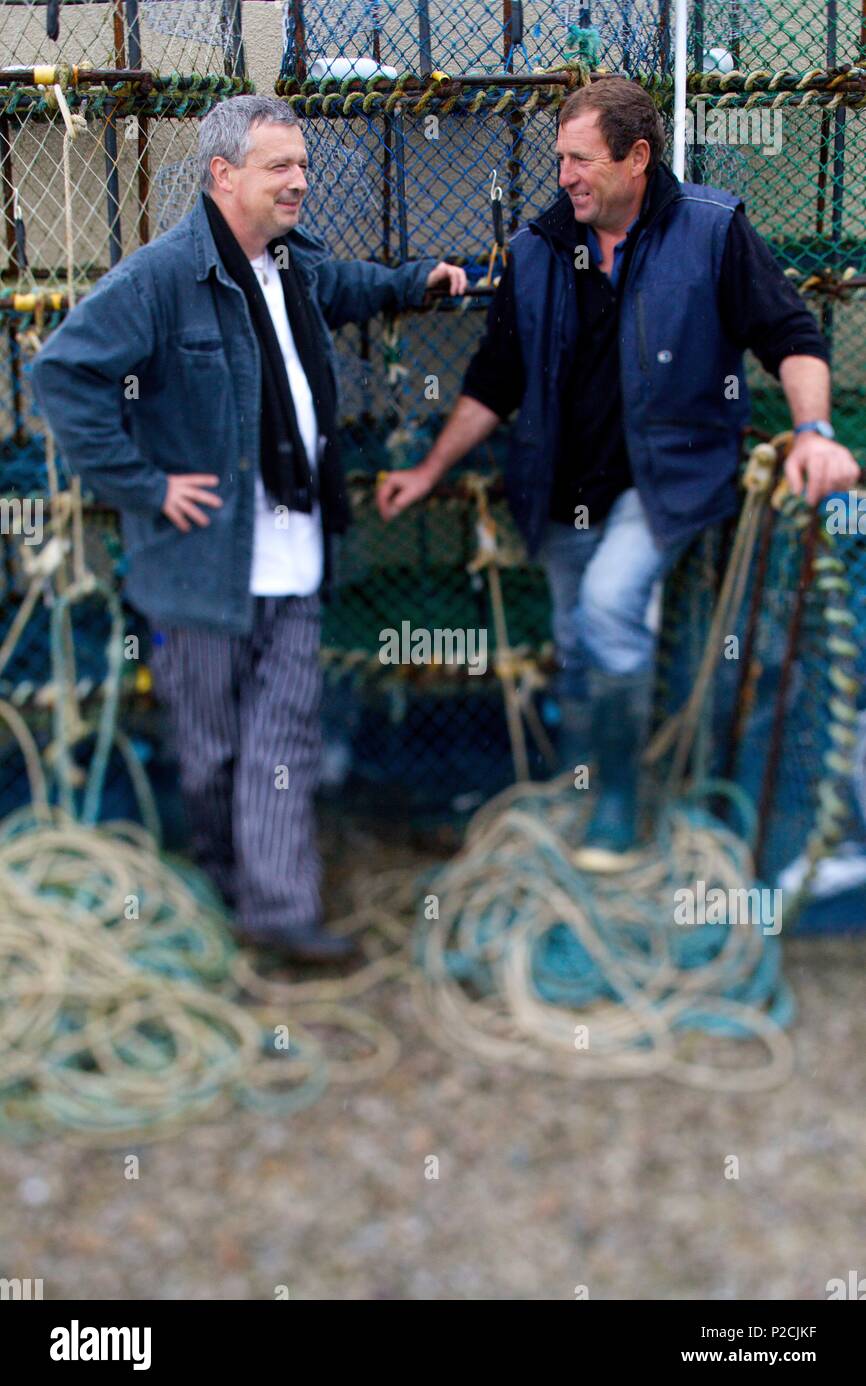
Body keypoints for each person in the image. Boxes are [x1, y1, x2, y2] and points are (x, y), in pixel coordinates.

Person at [377, 76, 860, 867]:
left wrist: (812, 430)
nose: (564, 175)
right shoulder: (536, 250)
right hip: (562, 487)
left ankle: (622, 805)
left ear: (636, 158)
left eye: (580, 159)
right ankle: (585, 788)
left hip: (665, 479)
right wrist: (430, 470)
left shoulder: (711, 229)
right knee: (576, 642)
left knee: (608, 609)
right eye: (559, 158)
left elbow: (790, 334)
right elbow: (496, 381)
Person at [32, 95, 468, 960]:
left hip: (296, 557)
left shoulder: (293, 265)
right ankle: (228, 887)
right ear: (223, 175)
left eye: (303, 165)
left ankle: (278, 914)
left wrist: (417, 281)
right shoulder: (160, 278)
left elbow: (354, 287)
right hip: (202, 570)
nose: (300, 181)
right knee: (213, 754)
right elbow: (62, 375)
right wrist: (142, 485)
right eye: (282, 167)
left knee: (283, 741)